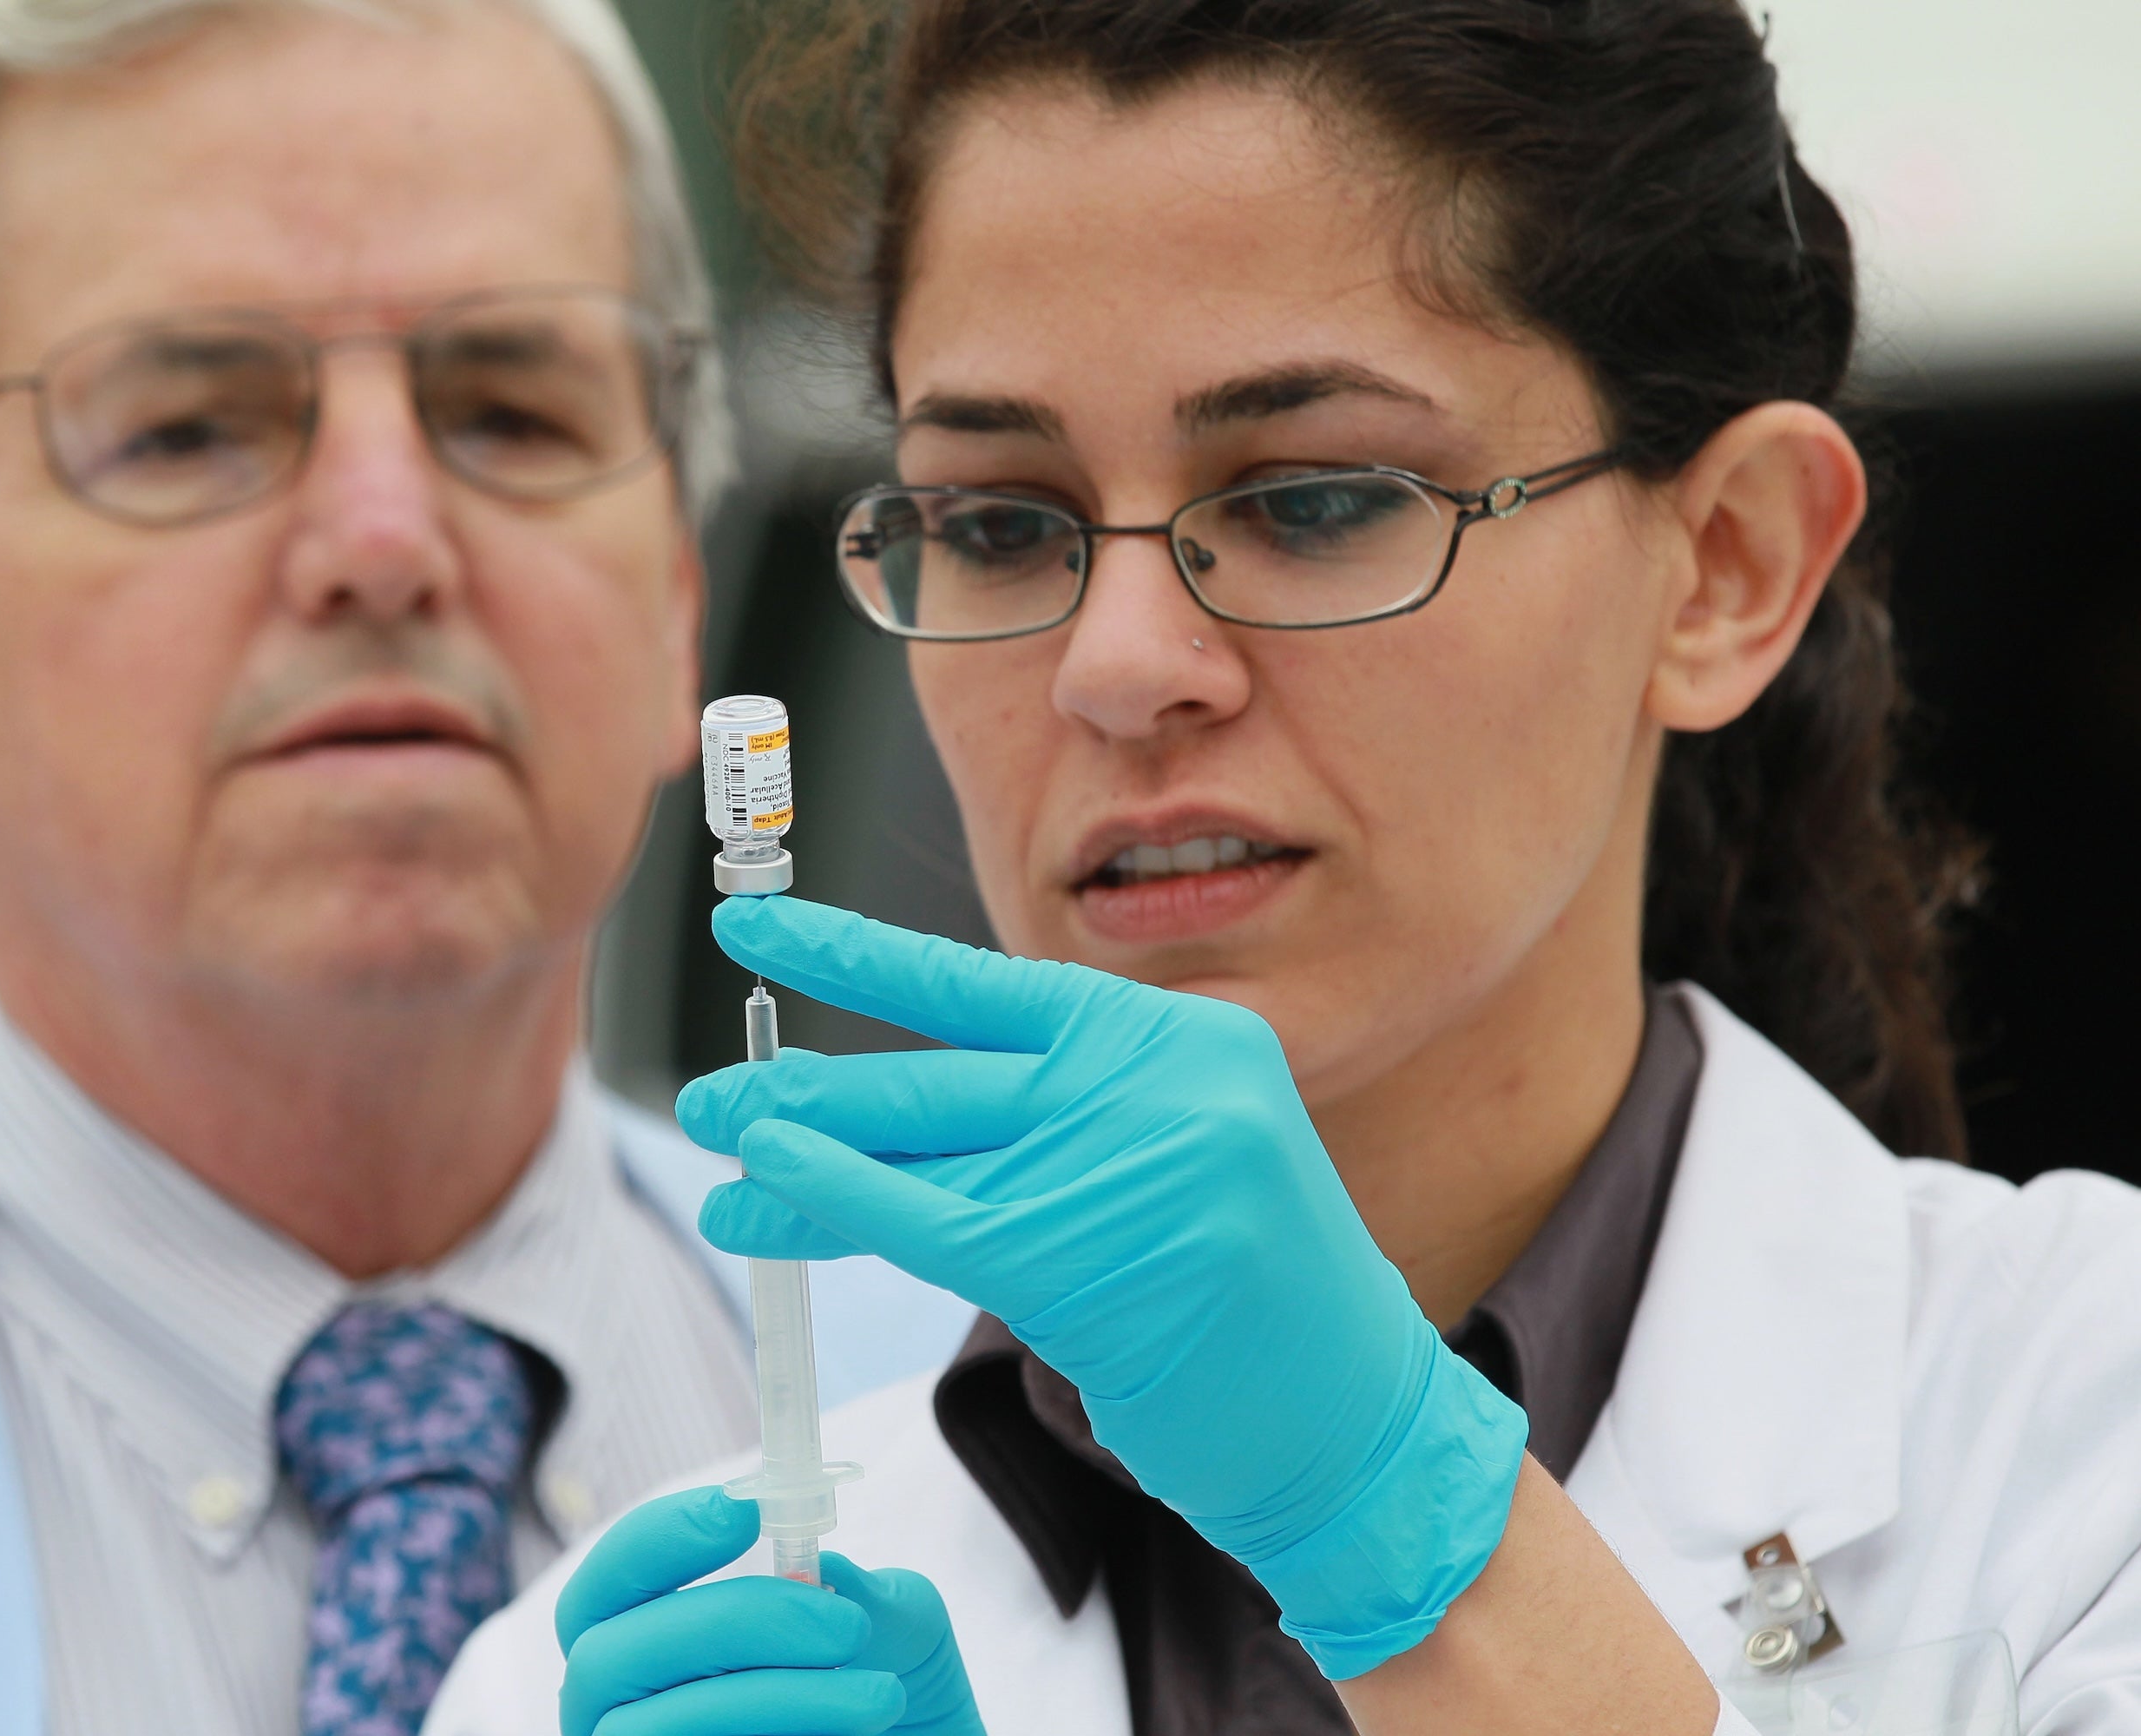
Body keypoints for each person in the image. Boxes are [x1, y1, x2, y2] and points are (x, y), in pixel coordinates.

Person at [430, 2, 2141, 1733]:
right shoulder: (631, 1660)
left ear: (1725, 565)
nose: (1118, 663)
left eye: (1316, 495)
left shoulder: (2083, 1437)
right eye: (1001, 521)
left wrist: (1390, 1506)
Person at [0, 1, 972, 1733]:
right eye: (188, 427)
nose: (384, 540)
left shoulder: (1048, 1425)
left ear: (675, 591)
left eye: (511, 409)